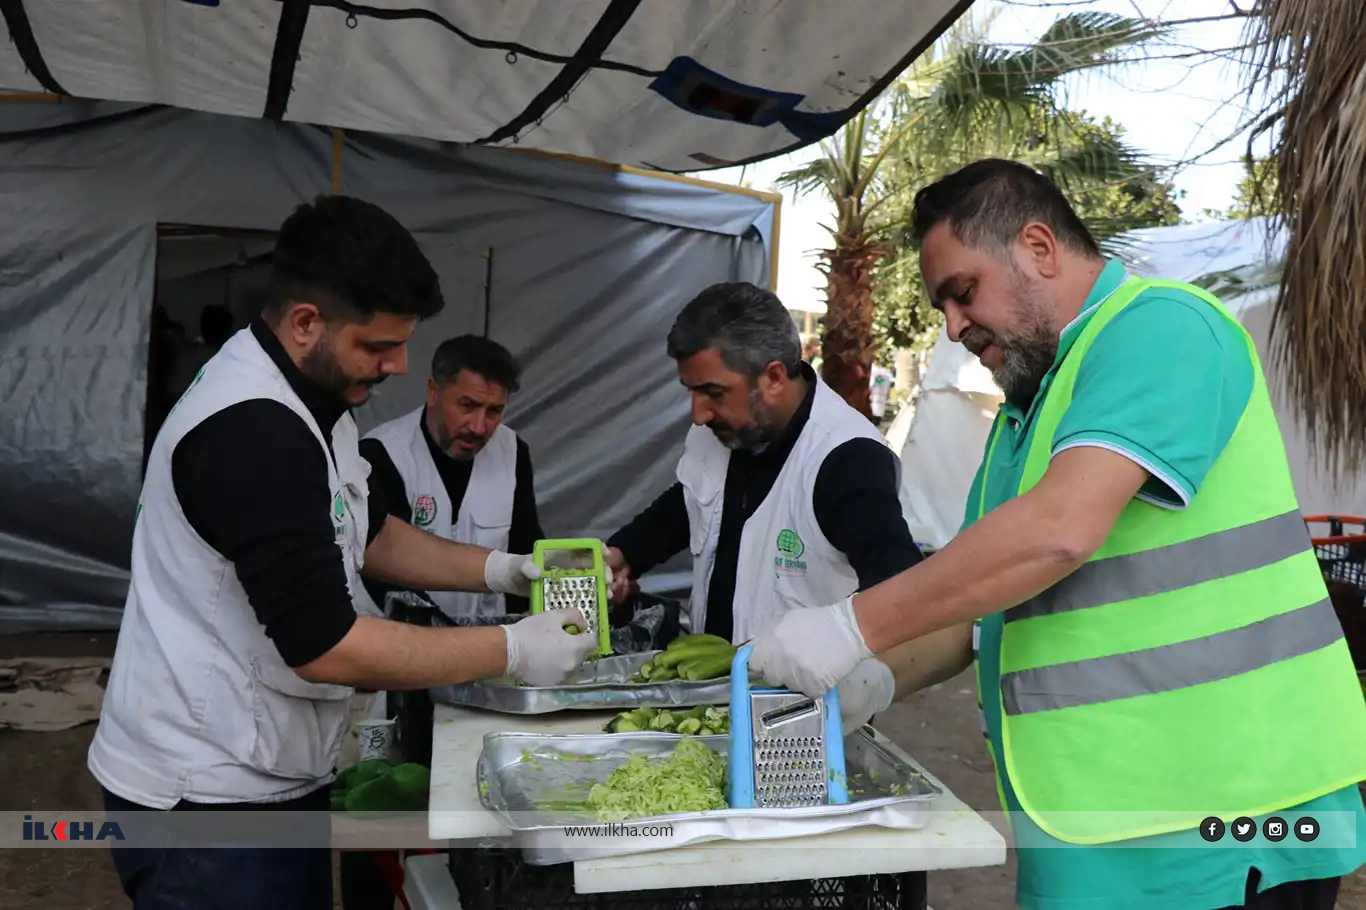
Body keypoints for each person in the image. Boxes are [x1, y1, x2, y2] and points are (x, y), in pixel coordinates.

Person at [745, 159, 1366, 910]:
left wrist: (852, 623)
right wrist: (874, 678)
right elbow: (982, 600)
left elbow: (1061, 532)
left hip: (1231, 810)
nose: (952, 327)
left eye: (963, 292)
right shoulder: (1028, 409)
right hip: (1091, 823)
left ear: (1039, 247)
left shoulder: (1165, 324)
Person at [87, 195, 598, 910]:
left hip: (270, 773)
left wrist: (502, 568)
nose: (398, 364)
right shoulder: (253, 433)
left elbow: (373, 532)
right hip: (205, 800)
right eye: (378, 346)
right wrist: (511, 648)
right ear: (305, 323)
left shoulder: (316, 402)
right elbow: (326, 645)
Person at [604, 280, 924, 731]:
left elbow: (903, 590)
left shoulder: (847, 459)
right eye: (691, 392)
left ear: (773, 376)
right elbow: (687, 505)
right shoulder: (722, 429)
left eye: (714, 393)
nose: (698, 413)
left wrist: (867, 685)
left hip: (797, 725)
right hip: (706, 708)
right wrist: (623, 554)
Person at [360, 334, 543, 621]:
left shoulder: (512, 450)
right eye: (467, 406)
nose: (479, 427)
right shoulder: (381, 454)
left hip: (492, 640)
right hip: (402, 642)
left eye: (494, 411)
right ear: (433, 391)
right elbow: (384, 572)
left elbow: (527, 546)